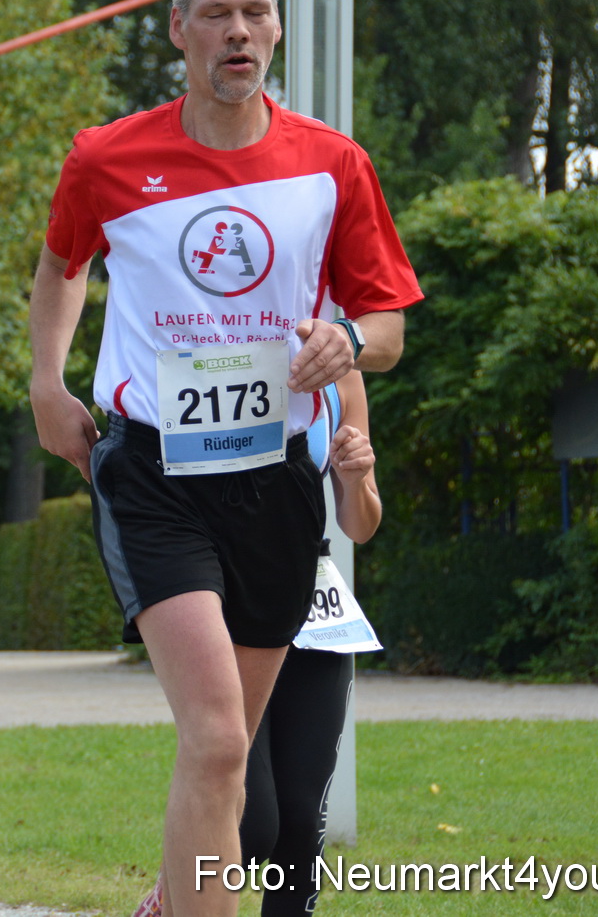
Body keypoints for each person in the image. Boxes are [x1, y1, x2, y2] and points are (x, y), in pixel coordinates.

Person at [28, 0, 422, 917]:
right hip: (154, 473)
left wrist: (351, 345)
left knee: (228, 762)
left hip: (273, 480)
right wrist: (46, 381)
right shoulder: (106, 159)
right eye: (216, 14)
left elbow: (384, 321)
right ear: (178, 30)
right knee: (211, 740)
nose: (237, 31)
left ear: (277, 28)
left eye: (255, 12)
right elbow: (63, 264)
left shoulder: (332, 166)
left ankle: (171, 901)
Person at [239, 372, 381, 916]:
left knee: (301, 820)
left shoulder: (342, 373)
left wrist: (356, 476)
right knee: (253, 826)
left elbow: (361, 524)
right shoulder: (208, 338)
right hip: (225, 596)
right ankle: (175, 891)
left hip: (311, 599)